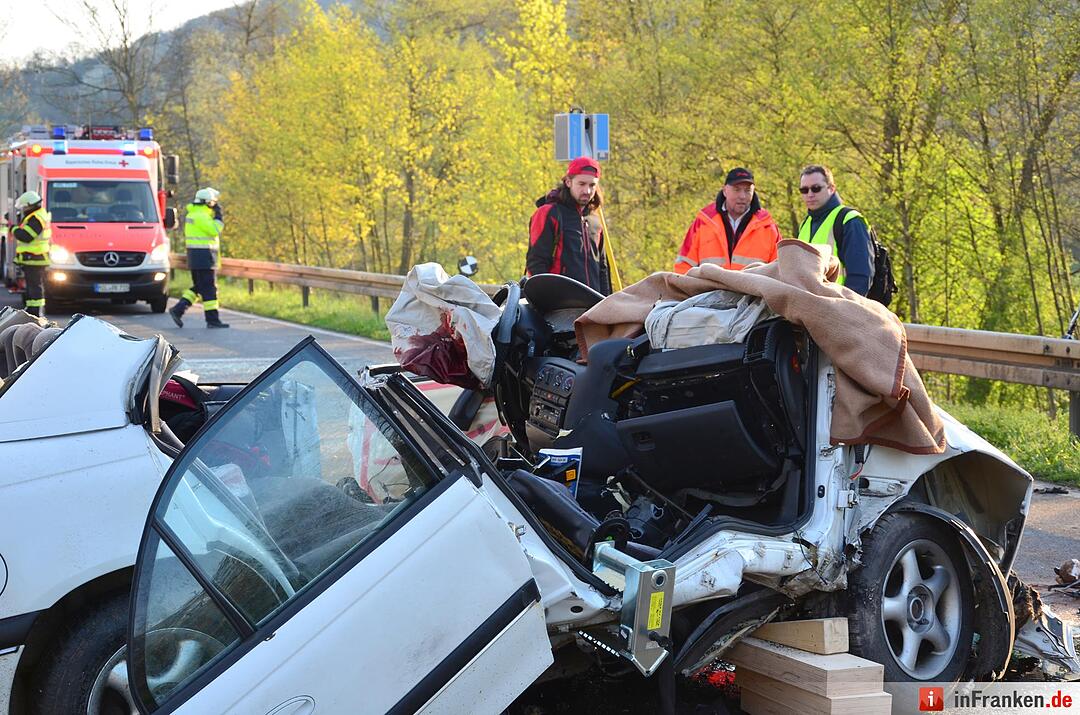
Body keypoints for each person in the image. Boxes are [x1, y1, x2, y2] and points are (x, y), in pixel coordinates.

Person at [526, 156, 611, 295]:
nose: (587, 191)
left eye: (592, 185)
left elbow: (603, 268)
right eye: (581, 184)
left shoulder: (595, 221)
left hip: (593, 305)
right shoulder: (549, 213)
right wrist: (547, 301)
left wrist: (606, 302)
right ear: (568, 182)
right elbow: (536, 263)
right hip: (559, 305)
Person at [674, 167, 782, 274]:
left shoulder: (768, 227)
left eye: (747, 190)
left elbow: (780, 270)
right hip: (708, 291)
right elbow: (684, 265)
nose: (742, 196)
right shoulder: (703, 222)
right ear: (725, 190)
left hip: (751, 291)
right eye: (737, 189)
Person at [797, 164, 874, 296]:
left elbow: (860, 276)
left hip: (839, 307)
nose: (809, 194)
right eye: (804, 190)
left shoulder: (849, 220)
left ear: (831, 188)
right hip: (810, 306)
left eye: (816, 189)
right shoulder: (805, 223)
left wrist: (847, 309)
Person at [170, 187, 229, 328]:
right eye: (214, 203)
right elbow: (215, 230)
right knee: (209, 289)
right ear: (208, 203)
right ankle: (212, 320)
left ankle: (179, 309)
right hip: (205, 257)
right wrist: (219, 217)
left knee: (200, 286)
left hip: (196, 257)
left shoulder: (193, 214)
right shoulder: (201, 216)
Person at [12, 191, 50, 318]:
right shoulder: (37, 215)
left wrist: (14, 229)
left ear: (30, 205)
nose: (23, 209)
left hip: (35, 258)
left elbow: (26, 236)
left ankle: (36, 312)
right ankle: (32, 311)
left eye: (24, 206)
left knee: (35, 287)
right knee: (32, 287)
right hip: (33, 258)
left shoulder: (36, 218)